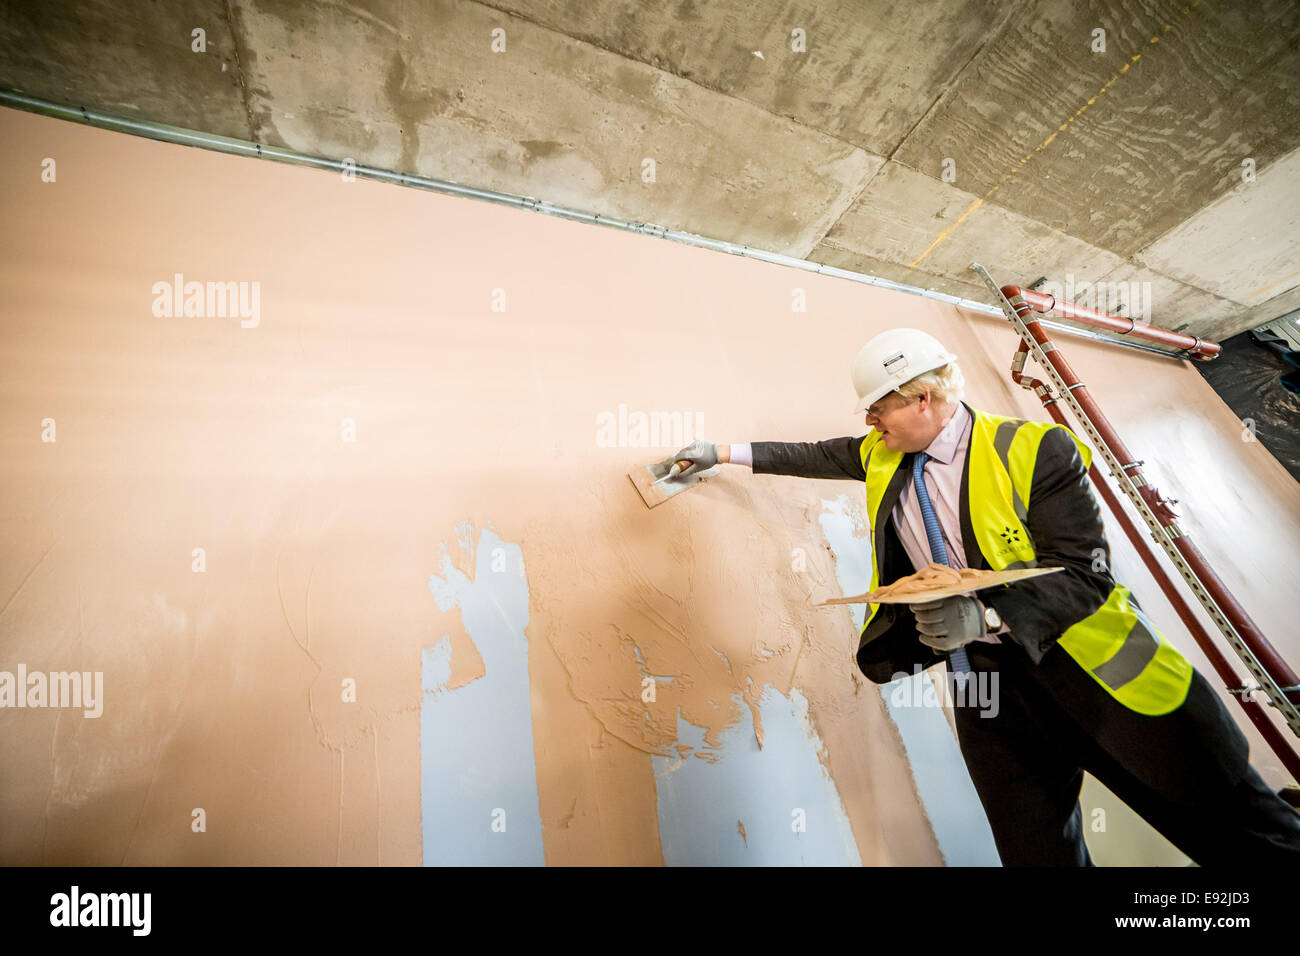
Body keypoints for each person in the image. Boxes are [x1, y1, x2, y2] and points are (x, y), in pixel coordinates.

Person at [669, 327, 1300, 866]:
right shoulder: (884, 453)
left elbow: (1084, 573)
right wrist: (720, 454)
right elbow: (813, 454)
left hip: (1095, 670)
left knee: (1226, 822)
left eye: (877, 409)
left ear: (924, 398)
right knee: (1033, 847)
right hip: (987, 684)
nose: (868, 423)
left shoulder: (1034, 449)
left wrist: (985, 612)